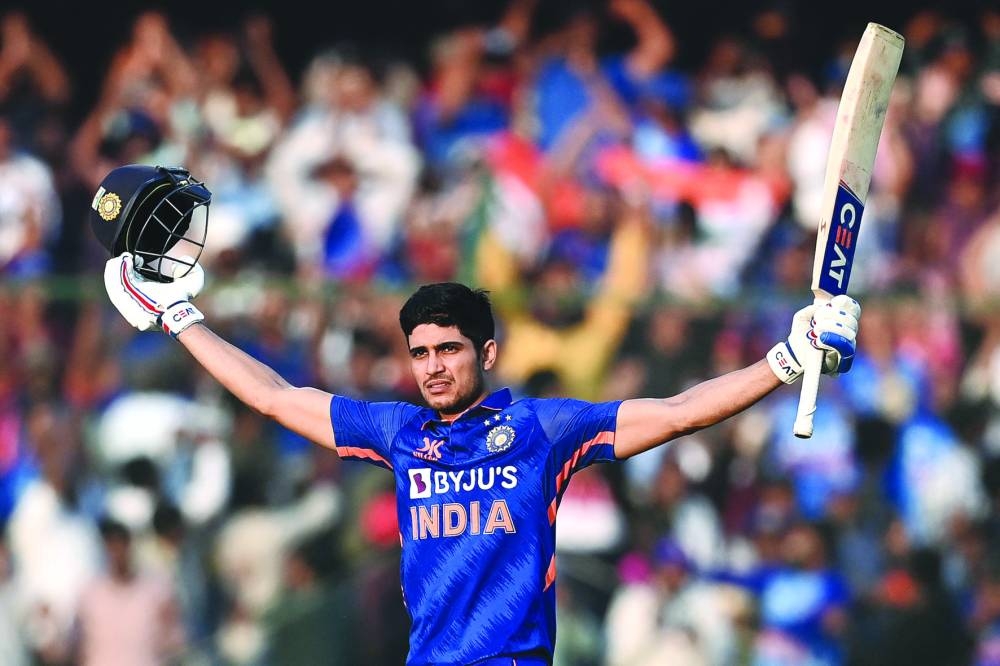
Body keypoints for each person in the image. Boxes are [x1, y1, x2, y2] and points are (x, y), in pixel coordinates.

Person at [98, 169, 860, 666]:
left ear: (486, 353)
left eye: (449, 349)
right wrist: (181, 317)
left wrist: (785, 360)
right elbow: (272, 395)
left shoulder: (542, 432)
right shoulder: (399, 434)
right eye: (421, 351)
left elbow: (678, 412)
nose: (432, 365)